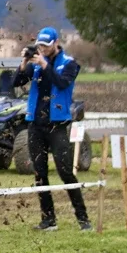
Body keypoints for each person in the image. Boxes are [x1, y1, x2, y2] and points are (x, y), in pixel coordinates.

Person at [14, 27, 88, 231]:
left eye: (46, 46)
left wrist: (45, 65)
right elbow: (17, 82)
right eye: (39, 46)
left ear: (55, 43)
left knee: (65, 172)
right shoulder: (36, 64)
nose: (42, 49)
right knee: (39, 173)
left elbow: (62, 83)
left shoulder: (69, 64)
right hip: (36, 124)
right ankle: (48, 220)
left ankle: (83, 219)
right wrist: (24, 63)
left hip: (57, 125)